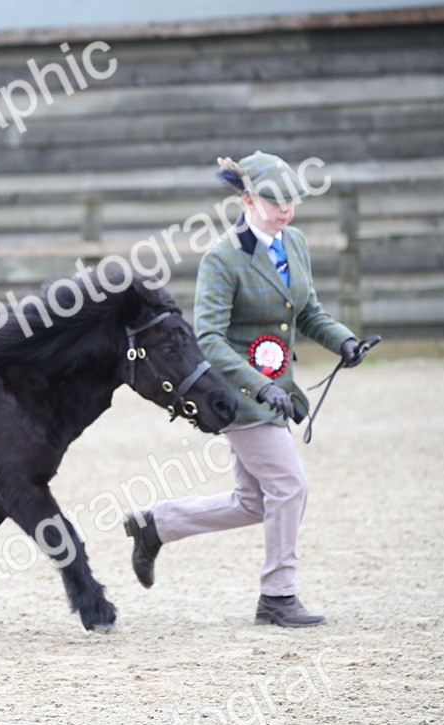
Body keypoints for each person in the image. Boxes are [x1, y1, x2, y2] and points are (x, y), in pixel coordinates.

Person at [124, 151, 372, 628]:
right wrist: (259, 386)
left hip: (278, 390)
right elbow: (210, 340)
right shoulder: (222, 257)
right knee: (289, 486)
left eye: (291, 203)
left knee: (254, 501)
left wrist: (343, 339)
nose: (285, 212)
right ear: (247, 199)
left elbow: (308, 312)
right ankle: (278, 596)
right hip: (238, 395)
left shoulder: (294, 243)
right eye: (275, 203)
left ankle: (156, 524)